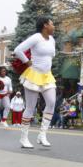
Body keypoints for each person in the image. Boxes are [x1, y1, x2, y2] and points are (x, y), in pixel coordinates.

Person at [14, 16, 56, 148]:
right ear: (45, 25)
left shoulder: (52, 40)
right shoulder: (36, 37)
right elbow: (18, 50)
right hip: (34, 75)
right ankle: (24, 138)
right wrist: (27, 61)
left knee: (51, 102)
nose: (53, 27)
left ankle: (42, 135)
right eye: (52, 24)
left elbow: (50, 56)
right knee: (30, 108)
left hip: (47, 76)